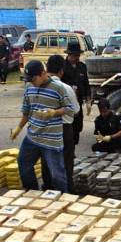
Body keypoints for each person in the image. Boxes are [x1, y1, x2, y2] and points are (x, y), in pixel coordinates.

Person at [10, 60, 74, 192]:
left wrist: (54, 112)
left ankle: (65, 199)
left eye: (33, 79)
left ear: (43, 73)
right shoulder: (29, 87)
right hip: (32, 136)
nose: (31, 82)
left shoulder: (58, 88)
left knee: (57, 175)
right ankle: (33, 193)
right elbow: (27, 110)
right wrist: (19, 128)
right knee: (23, 164)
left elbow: (70, 109)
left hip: (51, 139)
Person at [41, 55, 80, 194]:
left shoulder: (38, 86)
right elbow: (75, 110)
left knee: (46, 160)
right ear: (61, 71)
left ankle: (48, 187)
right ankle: (66, 190)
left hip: (44, 129)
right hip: (63, 128)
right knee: (65, 161)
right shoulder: (66, 88)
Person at [62, 41, 91, 145]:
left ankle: (73, 146)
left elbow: (86, 84)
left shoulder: (82, 66)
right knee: (68, 127)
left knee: (78, 126)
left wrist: (88, 100)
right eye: (74, 55)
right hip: (66, 102)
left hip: (78, 101)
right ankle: (69, 151)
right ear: (69, 54)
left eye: (78, 55)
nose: (77, 58)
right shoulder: (63, 67)